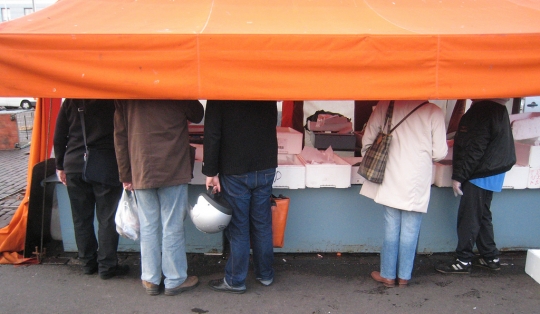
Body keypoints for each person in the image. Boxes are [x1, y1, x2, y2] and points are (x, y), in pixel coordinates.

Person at [114, 99, 204, 296]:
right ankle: (174, 279)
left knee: (148, 225)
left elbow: (120, 136)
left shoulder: (127, 91)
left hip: (141, 167)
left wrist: (125, 174)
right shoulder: (175, 87)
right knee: (172, 225)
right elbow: (198, 114)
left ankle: (150, 279)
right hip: (173, 166)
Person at [360, 100, 447, 287]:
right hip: (417, 176)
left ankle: (388, 275)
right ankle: (404, 276)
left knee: (391, 225)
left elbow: (368, 138)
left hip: (390, 170)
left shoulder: (387, 105)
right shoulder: (434, 111)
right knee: (411, 226)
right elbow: (440, 153)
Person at [203, 100, 278, 294]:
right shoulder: (265, 83)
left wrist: (211, 170)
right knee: (262, 223)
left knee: (238, 228)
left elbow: (212, 133)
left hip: (235, 167)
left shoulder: (219, 89)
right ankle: (265, 274)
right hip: (266, 163)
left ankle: (236, 280)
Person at [436, 98, 516, 274]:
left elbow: (474, 148)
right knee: (482, 215)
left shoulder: (481, 111)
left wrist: (459, 176)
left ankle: (463, 260)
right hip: (493, 169)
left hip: (479, 172)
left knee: (469, 216)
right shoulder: (498, 109)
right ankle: (490, 257)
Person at [53, 98, 128, 279]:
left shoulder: (70, 101)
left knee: (81, 219)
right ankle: (107, 267)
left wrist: (60, 165)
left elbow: (59, 136)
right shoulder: (113, 101)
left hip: (74, 165)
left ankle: (87, 263)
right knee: (107, 219)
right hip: (106, 165)